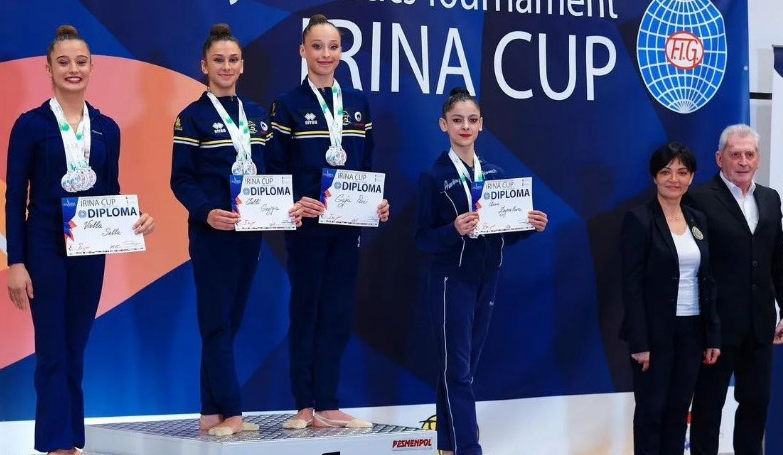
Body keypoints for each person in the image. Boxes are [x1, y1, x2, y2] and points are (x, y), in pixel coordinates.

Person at [5, 25, 155, 455]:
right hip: (44, 246)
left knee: (75, 347)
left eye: (81, 61)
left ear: (92, 67)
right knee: (52, 347)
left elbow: (110, 193)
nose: (73, 69)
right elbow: (15, 197)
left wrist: (135, 221)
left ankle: (71, 440)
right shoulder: (31, 125)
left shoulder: (107, 128)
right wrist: (16, 261)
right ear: (48, 68)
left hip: (89, 249)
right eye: (64, 62)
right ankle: (57, 445)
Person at [170, 23, 302, 436]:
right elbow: (181, 179)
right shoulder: (191, 118)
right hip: (213, 234)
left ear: (242, 65)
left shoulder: (258, 116)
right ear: (204, 66)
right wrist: (206, 212)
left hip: (250, 232)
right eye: (218, 60)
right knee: (216, 323)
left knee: (230, 323)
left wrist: (284, 206)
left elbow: (272, 172)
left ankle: (210, 413)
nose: (226, 67)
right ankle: (233, 412)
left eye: (232, 60)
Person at [265, 13, 389, 429]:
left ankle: (329, 404)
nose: (325, 54)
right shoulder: (287, 104)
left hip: (348, 226)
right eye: (317, 46)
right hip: (307, 228)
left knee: (337, 314)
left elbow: (366, 164)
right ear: (303, 51)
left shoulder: (357, 103)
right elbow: (273, 168)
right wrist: (294, 200)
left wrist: (376, 202)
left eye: (333, 47)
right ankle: (304, 405)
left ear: (341, 52)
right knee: (307, 311)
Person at [414, 87, 548, 455]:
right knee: (457, 369)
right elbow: (422, 239)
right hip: (450, 280)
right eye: (457, 120)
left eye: (472, 120)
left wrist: (528, 225)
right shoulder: (434, 176)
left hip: (487, 277)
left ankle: (448, 445)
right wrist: (452, 230)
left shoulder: (495, 173)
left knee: (462, 369)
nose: (465, 126)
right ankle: (469, 448)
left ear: (481, 124)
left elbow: (502, 231)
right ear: (443, 125)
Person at [687, 124, 783, 455]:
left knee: (756, 404)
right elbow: (695, 265)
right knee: (708, 409)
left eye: (749, 154)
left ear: (758, 159)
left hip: (760, 325)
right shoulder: (699, 199)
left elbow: (779, 257)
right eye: (735, 154)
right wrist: (706, 323)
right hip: (716, 327)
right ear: (719, 158)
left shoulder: (770, 198)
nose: (743, 161)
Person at [619, 142, 721, 455]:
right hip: (654, 333)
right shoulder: (639, 219)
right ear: (655, 177)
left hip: (692, 330)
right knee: (651, 412)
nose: (674, 179)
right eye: (666, 172)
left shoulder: (697, 219)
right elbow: (631, 285)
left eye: (682, 172)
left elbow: (708, 280)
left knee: (678, 412)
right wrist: (640, 342)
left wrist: (712, 334)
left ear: (691, 177)